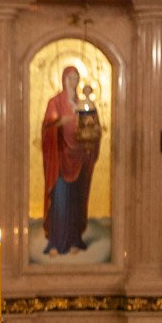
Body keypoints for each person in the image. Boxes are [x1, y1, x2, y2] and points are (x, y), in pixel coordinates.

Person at [40, 65, 101, 256]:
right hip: (59, 160)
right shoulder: (55, 102)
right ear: (63, 80)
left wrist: (95, 134)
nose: (73, 82)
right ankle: (56, 244)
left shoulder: (84, 103)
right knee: (60, 200)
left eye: (76, 78)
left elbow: (94, 125)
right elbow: (47, 128)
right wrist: (60, 122)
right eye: (70, 78)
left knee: (75, 200)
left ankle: (74, 240)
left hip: (80, 159)